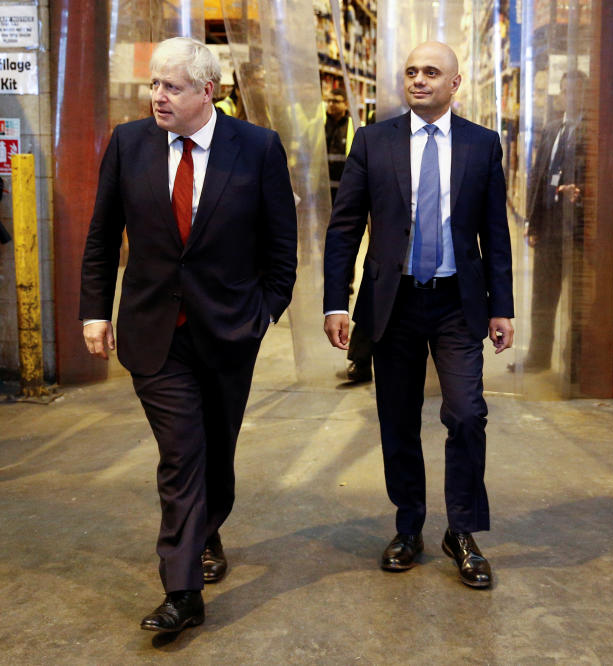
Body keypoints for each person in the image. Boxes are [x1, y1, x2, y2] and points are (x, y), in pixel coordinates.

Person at [79, 37, 298, 633]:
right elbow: (102, 236)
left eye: (171, 86)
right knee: (182, 452)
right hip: (154, 331)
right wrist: (94, 312)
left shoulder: (256, 148)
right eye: (153, 84)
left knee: (216, 451)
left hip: (229, 330)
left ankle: (208, 530)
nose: (157, 96)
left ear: (209, 91)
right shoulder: (129, 144)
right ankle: (182, 590)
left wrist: (263, 315)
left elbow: (281, 248)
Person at [323, 41, 514, 588]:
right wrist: (338, 300)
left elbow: (494, 235)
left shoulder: (482, 145)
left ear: (455, 83)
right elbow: (344, 229)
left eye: (432, 72)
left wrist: (501, 307)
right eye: (411, 72)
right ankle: (409, 527)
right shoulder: (372, 141)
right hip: (395, 303)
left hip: (457, 302)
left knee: (467, 412)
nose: (419, 80)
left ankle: (462, 531)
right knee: (398, 419)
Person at [521, 69, 586, 372]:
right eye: (565, 91)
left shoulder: (592, 131)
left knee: (577, 302)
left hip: (576, 232)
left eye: (576, 91)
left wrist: (582, 192)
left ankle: (573, 364)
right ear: (560, 95)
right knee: (542, 298)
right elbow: (537, 177)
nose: (570, 97)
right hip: (548, 228)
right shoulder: (551, 129)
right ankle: (538, 358)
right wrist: (531, 222)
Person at [324, 86, 372, 382]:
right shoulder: (371, 128)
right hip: (331, 197)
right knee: (375, 289)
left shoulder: (358, 127)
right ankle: (360, 358)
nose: (333, 104)